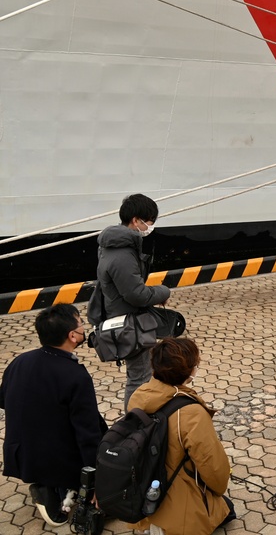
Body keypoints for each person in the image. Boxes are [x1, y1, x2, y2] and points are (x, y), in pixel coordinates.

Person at [0, 304, 108, 526]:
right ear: (72, 336)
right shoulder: (75, 375)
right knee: (100, 432)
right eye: (80, 324)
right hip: (52, 460)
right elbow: (88, 434)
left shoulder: (19, 361)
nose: (83, 327)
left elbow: (3, 400)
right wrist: (96, 481)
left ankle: (49, 484)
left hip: (19, 454)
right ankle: (51, 489)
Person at [128, 337, 236, 534]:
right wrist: (219, 488)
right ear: (190, 371)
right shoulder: (191, 412)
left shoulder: (139, 396)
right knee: (227, 509)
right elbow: (214, 469)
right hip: (179, 509)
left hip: (143, 495)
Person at [87, 193, 172, 411]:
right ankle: (135, 422)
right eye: (149, 222)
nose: (150, 226)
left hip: (126, 316)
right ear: (136, 220)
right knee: (138, 376)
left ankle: (146, 411)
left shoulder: (112, 246)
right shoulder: (122, 253)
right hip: (130, 323)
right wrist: (162, 291)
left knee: (145, 370)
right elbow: (136, 294)